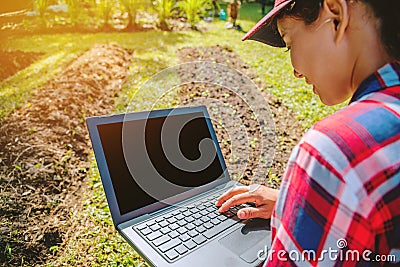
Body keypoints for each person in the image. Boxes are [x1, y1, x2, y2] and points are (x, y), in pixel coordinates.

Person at [216, 0, 400, 265]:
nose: (294, 72)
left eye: (289, 42)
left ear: (335, 14)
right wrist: (296, 203)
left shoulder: (337, 153)